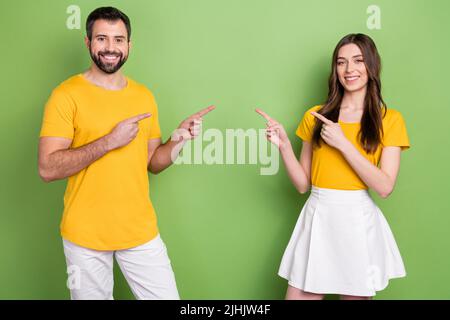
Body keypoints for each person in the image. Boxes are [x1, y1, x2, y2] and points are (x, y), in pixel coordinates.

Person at [38, 6, 215, 300]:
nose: (110, 48)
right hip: (85, 235)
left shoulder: (143, 96)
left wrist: (179, 138)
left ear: (129, 45)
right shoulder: (65, 95)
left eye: (119, 40)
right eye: (102, 39)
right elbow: (47, 168)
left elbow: (152, 163)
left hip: (139, 230)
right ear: (88, 42)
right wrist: (109, 141)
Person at [256, 33, 410, 300]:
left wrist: (344, 143)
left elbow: (385, 186)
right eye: (341, 62)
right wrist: (283, 146)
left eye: (358, 60)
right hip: (318, 217)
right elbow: (303, 184)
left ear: (371, 66)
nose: (349, 69)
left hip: (357, 222)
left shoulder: (390, 119)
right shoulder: (316, 116)